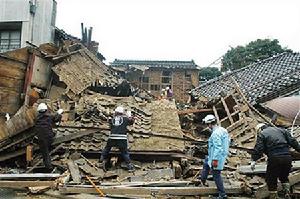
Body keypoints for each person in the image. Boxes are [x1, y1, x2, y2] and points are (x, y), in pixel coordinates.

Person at [251, 123, 300, 199]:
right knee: (284, 176)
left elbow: (259, 148)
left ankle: (274, 196)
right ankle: (287, 193)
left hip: (275, 158)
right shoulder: (282, 130)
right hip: (287, 157)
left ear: (260, 129)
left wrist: (254, 160)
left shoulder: (262, 134)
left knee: (271, 178)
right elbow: (293, 142)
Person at [198, 114, 230, 199]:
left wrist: (215, 160)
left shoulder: (215, 134)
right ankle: (202, 180)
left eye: (207, 124)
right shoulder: (222, 130)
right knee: (206, 164)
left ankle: (222, 194)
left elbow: (218, 148)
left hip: (217, 157)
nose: (207, 126)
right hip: (215, 155)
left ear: (209, 124)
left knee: (216, 175)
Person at [100, 106, 135, 172]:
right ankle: (130, 167)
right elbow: (131, 122)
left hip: (112, 137)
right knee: (124, 153)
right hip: (121, 138)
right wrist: (130, 116)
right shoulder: (125, 119)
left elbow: (110, 126)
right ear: (122, 113)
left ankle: (101, 160)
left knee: (107, 148)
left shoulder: (112, 119)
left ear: (116, 112)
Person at [34, 103, 63, 171]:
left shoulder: (36, 119)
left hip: (42, 139)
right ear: (46, 110)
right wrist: (59, 113)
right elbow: (56, 118)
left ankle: (49, 168)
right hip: (50, 137)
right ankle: (51, 164)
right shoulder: (49, 117)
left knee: (45, 154)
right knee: (49, 148)